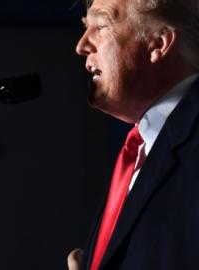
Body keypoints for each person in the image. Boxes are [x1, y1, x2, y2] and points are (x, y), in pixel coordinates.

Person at [69, 0, 199, 269]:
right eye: (85, 27)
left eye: (101, 25)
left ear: (159, 44)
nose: (81, 46)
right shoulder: (140, 148)